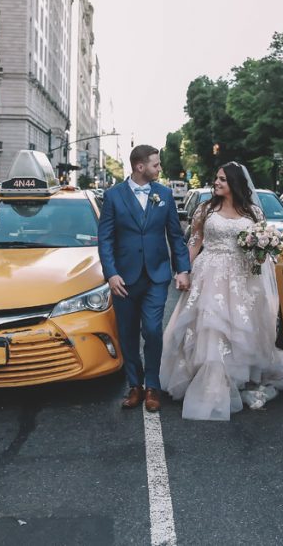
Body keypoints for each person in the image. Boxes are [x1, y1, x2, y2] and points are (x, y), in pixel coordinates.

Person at [160, 161, 283, 420]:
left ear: (235, 184)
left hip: (241, 275)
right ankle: (208, 378)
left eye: (222, 180)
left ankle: (235, 375)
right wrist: (183, 271)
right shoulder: (205, 210)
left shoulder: (252, 213)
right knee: (209, 326)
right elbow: (195, 242)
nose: (216, 183)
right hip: (209, 274)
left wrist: (262, 250)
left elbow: (260, 250)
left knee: (239, 327)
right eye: (216, 178)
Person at [98, 144, 191, 412]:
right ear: (140, 167)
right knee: (127, 333)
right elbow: (105, 238)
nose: (159, 168)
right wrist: (111, 273)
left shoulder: (164, 194)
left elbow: (175, 235)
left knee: (151, 330)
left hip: (156, 275)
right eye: (156, 164)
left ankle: (153, 386)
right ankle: (135, 386)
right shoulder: (113, 196)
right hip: (124, 279)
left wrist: (182, 268)